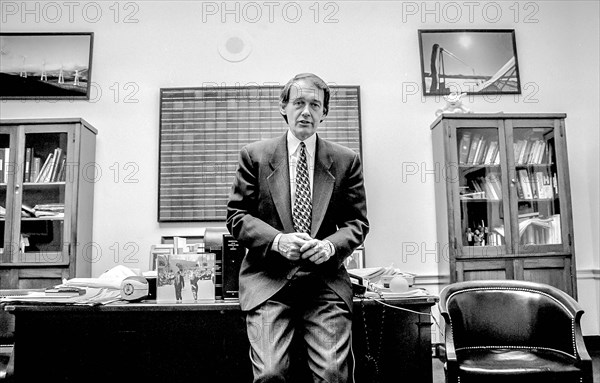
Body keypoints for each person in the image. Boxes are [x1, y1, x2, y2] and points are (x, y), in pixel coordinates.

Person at [227, 73, 369, 382]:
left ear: (324, 112)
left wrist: (330, 246)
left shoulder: (346, 161)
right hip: (269, 282)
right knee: (270, 374)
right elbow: (237, 217)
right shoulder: (255, 156)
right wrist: (277, 241)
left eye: (315, 105)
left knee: (333, 373)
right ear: (284, 107)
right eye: (299, 103)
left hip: (324, 284)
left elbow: (357, 222)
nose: (306, 111)